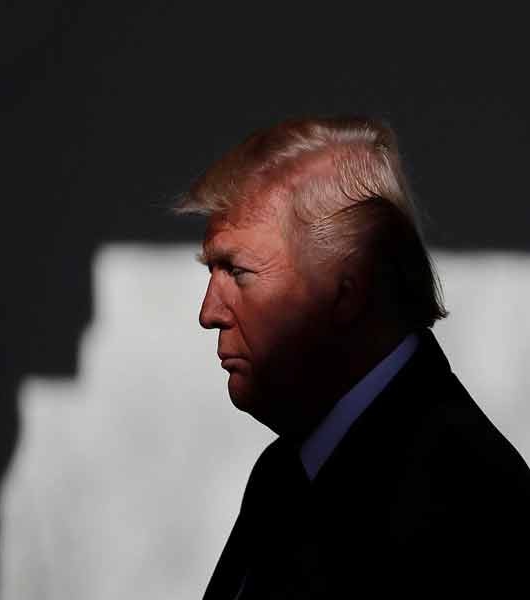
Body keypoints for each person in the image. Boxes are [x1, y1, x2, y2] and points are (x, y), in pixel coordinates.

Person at [176, 116, 530, 599]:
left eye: (237, 272)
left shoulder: (467, 504)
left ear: (346, 292)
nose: (208, 313)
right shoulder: (285, 474)